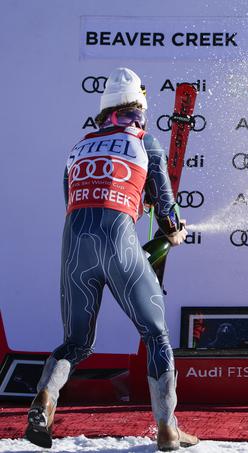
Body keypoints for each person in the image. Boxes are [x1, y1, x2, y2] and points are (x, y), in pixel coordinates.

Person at [25, 68, 199, 449]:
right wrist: (173, 232)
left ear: (105, 111)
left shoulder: (78, 147)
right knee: (156, 336)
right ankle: (168, 429)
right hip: (118, 241)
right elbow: (167, 213)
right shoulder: (146, 142)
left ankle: (45, 400)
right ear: (139, 106)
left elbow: (75, 202)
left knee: (75, 343)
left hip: (74, 245)